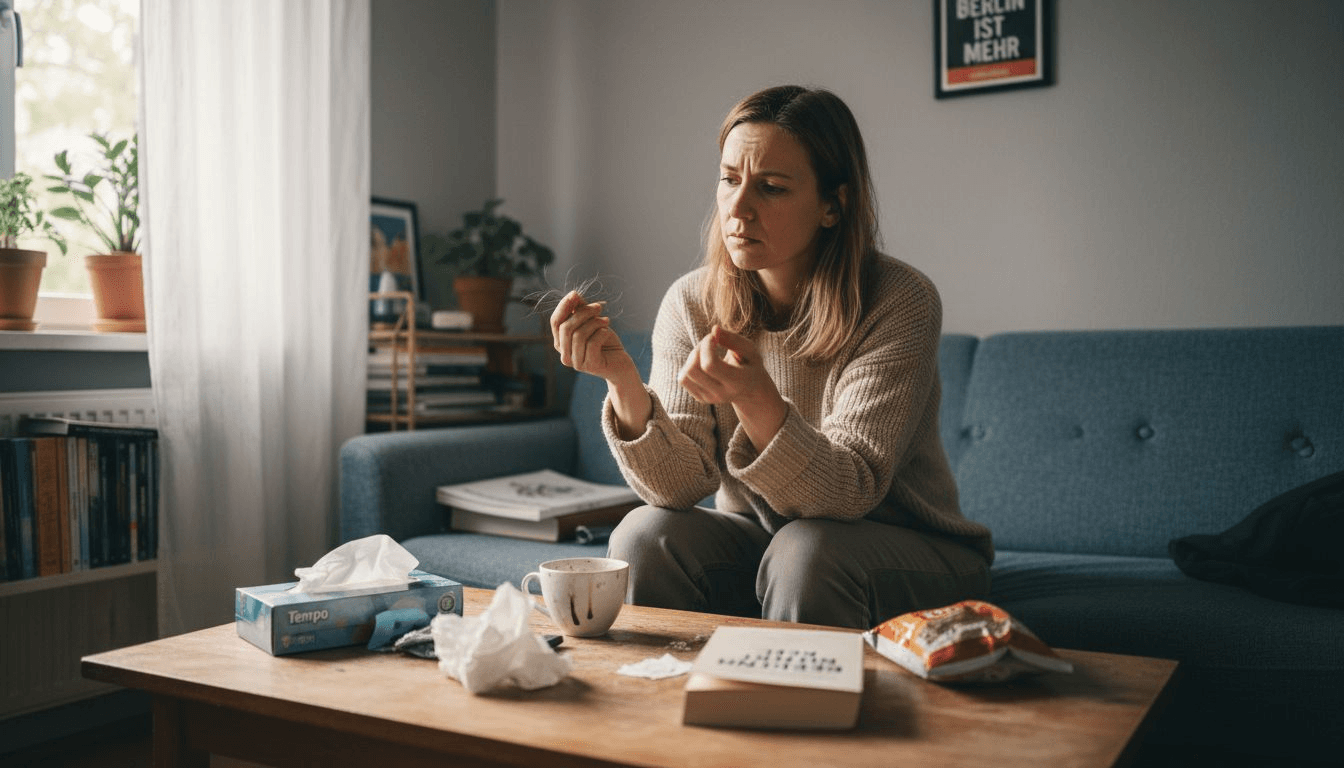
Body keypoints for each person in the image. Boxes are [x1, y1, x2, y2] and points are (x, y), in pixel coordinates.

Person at [549, 85, 993, 629]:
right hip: (772, 538)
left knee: (808, 550)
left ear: (834, 205)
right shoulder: (692, 301)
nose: (738, 208)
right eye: (729, 179)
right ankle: (665, 702)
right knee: (643, 534)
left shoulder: (900, 300)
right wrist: (622, 383)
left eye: (772, 188)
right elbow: (680, 489)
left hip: (907, 544)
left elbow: (850, 491)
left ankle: (792, 708)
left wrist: (756, 398)